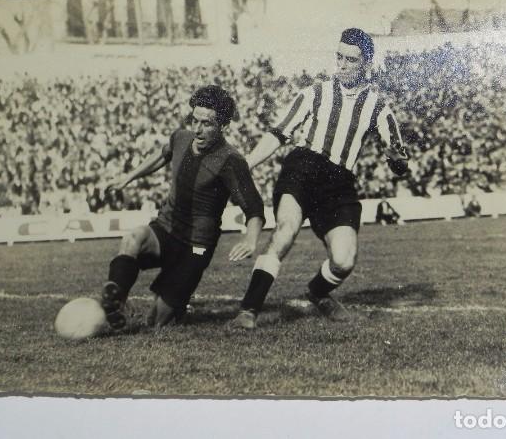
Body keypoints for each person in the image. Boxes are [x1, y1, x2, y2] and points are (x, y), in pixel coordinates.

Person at [230, 28, 410, 329]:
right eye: (338, 57)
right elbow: (278, 133)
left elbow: (400, 162)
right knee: (285, 231)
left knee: (344, 259)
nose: (341, 64)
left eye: (350, 60)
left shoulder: (378, 107)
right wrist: (245, 165)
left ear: (366, 63)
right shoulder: (315, 93)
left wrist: (397, 161)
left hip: (339, 181)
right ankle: (248, 310)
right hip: (303, 168)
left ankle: (317, 292)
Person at [101, 85, 265, 330]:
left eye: (206, 123)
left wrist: (251, 241)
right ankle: (118, 301)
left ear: (223, 126)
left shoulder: (231, 161)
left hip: (195, 247)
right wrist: (129, 177)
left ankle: (176, 306)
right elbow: (161, 154)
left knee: (157, 322)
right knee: (134, 237)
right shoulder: (181, 138)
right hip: (165, 230)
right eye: (194, 120)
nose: (197, 129)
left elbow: (254, 208)